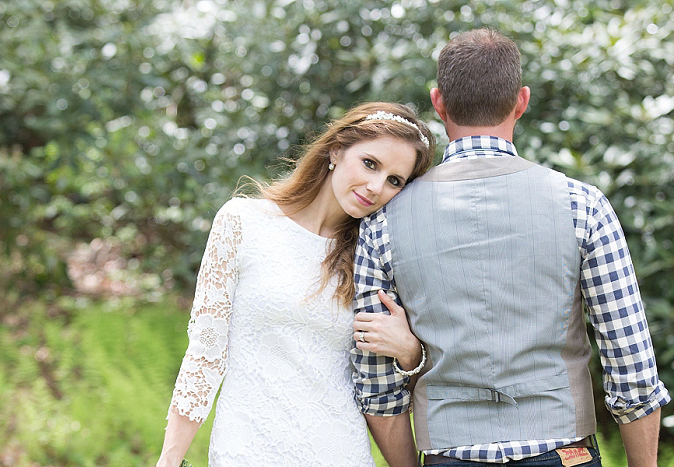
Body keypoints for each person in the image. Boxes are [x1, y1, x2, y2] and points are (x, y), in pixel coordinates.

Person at [351, 29, 670, 467]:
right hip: (564, 453)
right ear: (521, 101)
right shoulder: (583, 205)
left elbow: (376, 388)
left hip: (450, 453)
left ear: (438, 102)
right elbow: (631, 366)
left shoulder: (382, 223)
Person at [156, 101, 435, 466]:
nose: (376, 186)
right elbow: (204, 357)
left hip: (338, 451)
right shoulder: (242, 222)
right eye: (370, 163)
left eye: (394, 180)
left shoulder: (378, 258)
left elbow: (388, 385)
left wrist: (411, 352)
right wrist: (169, 459)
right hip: (245, 449)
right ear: (336, 150)